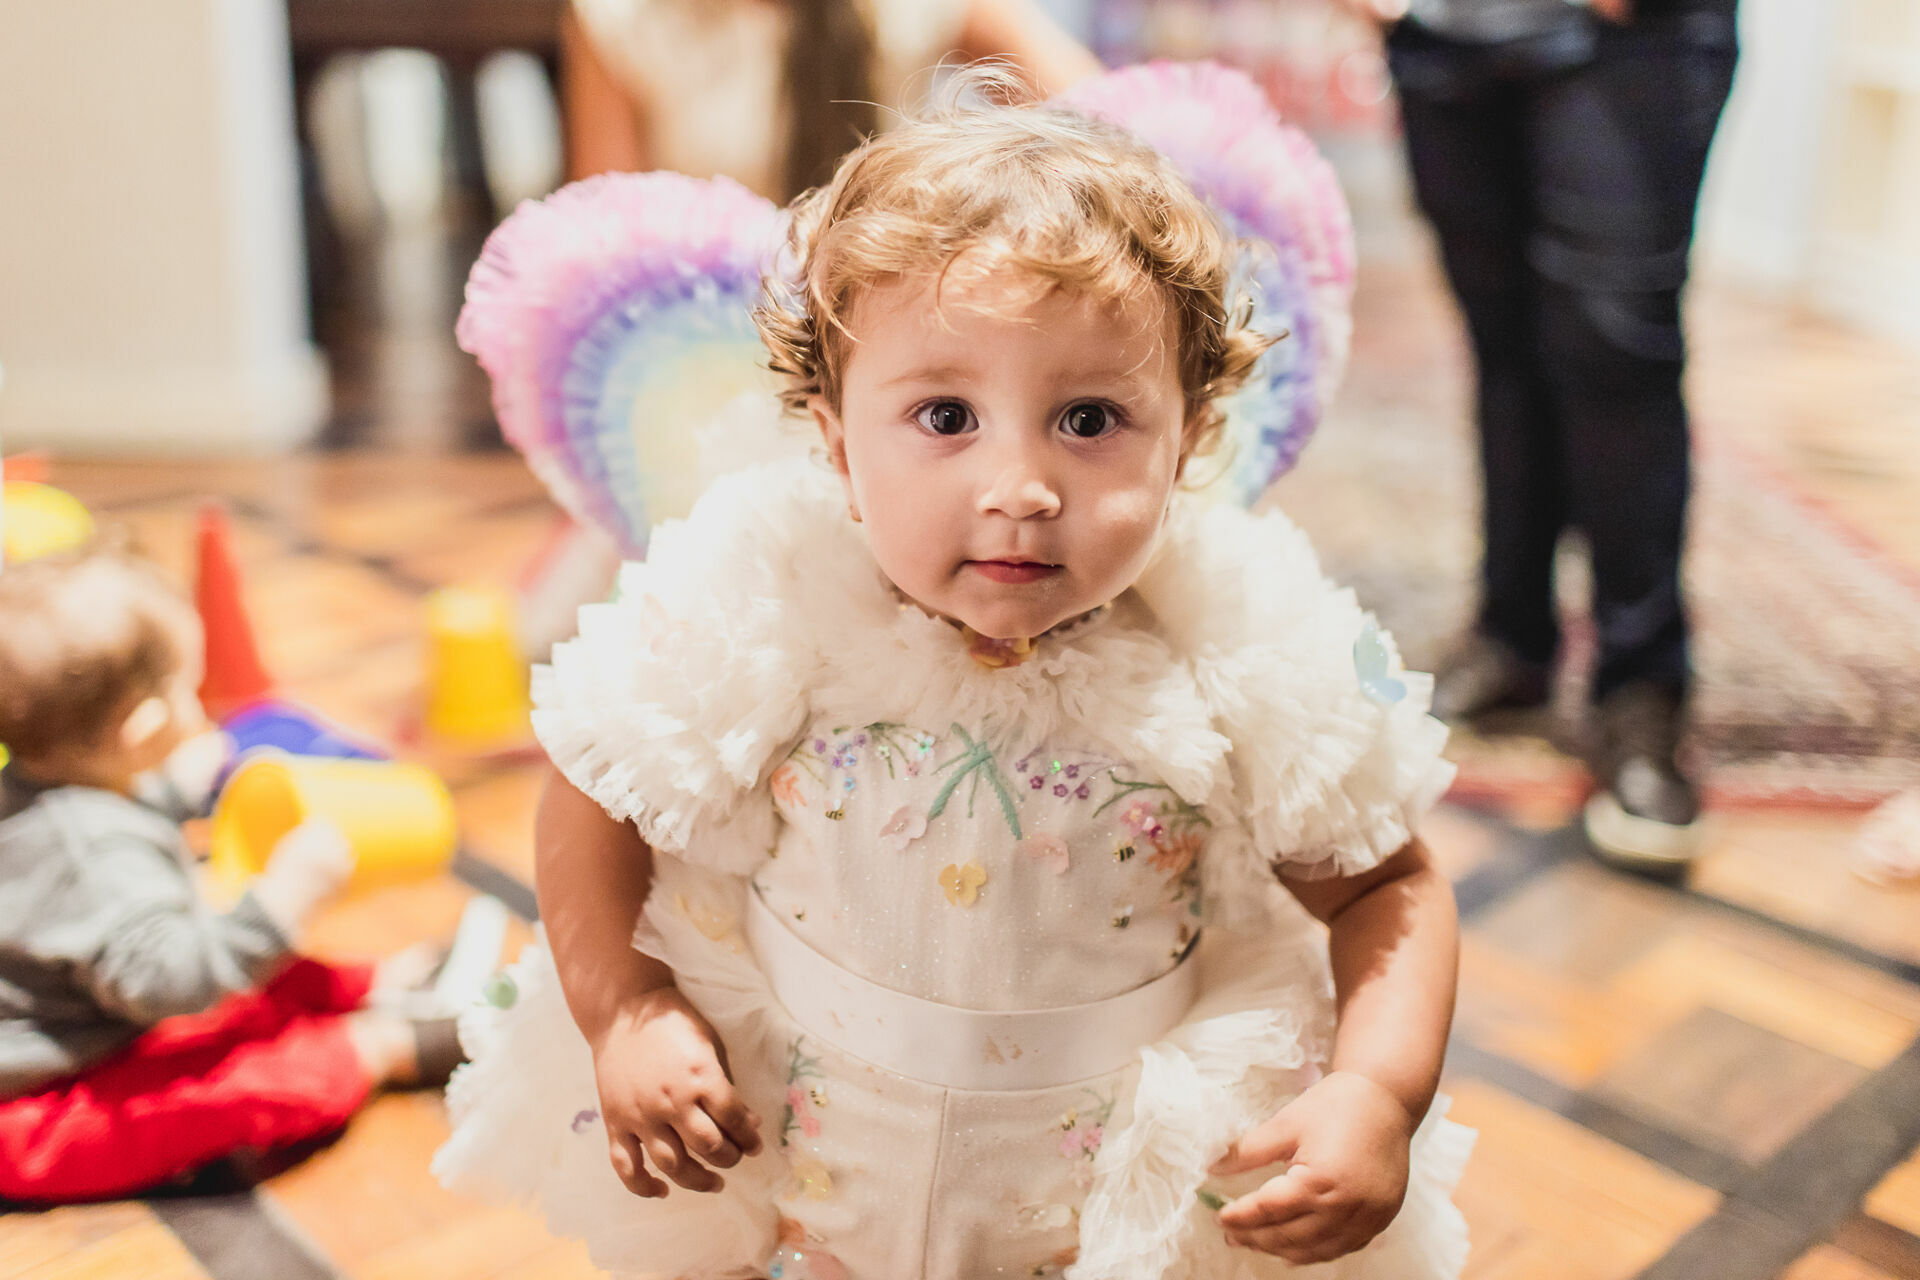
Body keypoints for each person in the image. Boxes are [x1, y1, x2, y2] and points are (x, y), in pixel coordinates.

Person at [436, 73, 1473, 1278]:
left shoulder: (1234, 644)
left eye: (1089, 420)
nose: (1019, 486)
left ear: (1188, 434)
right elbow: (596, 789)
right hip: (812, 1163)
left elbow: (1386, 887)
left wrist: (1377, 1092)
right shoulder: (774, 602)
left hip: (1098, 1203)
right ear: (834, 436)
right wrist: (626, 1004)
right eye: (943, 416)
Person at [1339, 0, 1738, 872]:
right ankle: (1513, 638)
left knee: (1615, 349)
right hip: (1444, 34)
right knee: (1502, 342)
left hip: (1630, 35)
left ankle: (1642, 687)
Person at [0, 549, 462, 1202]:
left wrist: (176, 787)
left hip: (86, 1012)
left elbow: (97, 820)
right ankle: (377, 1046)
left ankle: (377, 983)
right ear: (146, 728)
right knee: (219, 1091)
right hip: (27, 1110)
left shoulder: (41, 789)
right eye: (186, 691)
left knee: (242, 965)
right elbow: (177, 985)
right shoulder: (97, 860)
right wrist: (284, 898)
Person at [562, 0, 1103, 199]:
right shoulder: (619, 18)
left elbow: (1099, 118)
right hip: (710, 315)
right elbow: (608, 213)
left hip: (881, 298)